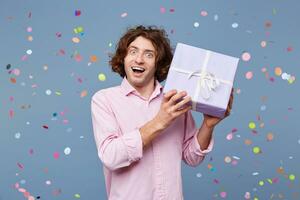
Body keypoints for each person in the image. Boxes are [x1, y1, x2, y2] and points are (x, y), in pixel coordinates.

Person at [91, 25, 233, 200]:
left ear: (158, 64)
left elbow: (192, 158)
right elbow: (111, 156)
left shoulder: (175, 99)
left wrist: (208, 125)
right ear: (123, 58)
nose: (139, 60)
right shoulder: (104, 99)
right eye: (133, 52)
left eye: (149, 54)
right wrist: (160, 121)